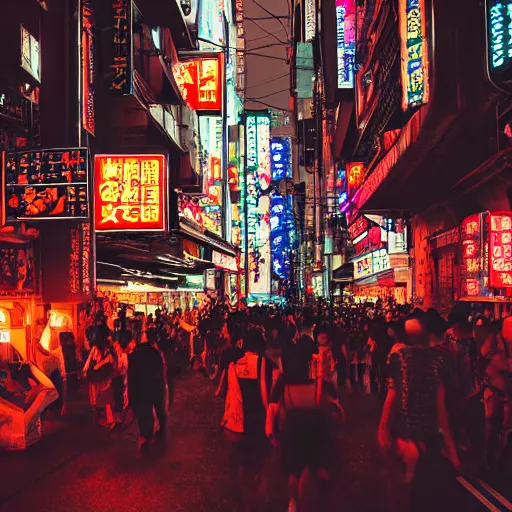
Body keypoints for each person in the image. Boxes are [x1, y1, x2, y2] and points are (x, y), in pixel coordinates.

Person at [378, 316, 460, 512]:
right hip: (428, 437)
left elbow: (392, 394)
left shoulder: (399, 358)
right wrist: (452, 451)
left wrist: (382, 427)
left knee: (401, 495)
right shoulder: (440, 360)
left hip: (403, 434)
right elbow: (441, 412)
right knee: (425, 495)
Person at [221, 325, 269, 511]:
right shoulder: (260, 361)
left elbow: (228, 390)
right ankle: (254, 495)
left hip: (238, 416)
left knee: (241, 458)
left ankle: (242, 496)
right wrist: (269, 416)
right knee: (257, 456)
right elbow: (263, 390)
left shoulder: (235, 362)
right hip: (256, 414)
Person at [128, 333, 167, 452]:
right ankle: (162, 430)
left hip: (141, 387)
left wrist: (131, 398)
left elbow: (132, 377)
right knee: (159, 408)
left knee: (145, 412)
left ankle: (146, 435)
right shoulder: (155, 353)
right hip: (156, 385)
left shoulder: (133, 356)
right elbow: (161, 371)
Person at [82, 337, 115, 429]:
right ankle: (107, 420)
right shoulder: (101, 356)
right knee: (103, 402)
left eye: (96, 350)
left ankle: (110, 420)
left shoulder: (108, 357)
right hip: (99, 382)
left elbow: (109, 368)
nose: (94, 352)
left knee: (106, 401)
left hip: (105, 383)